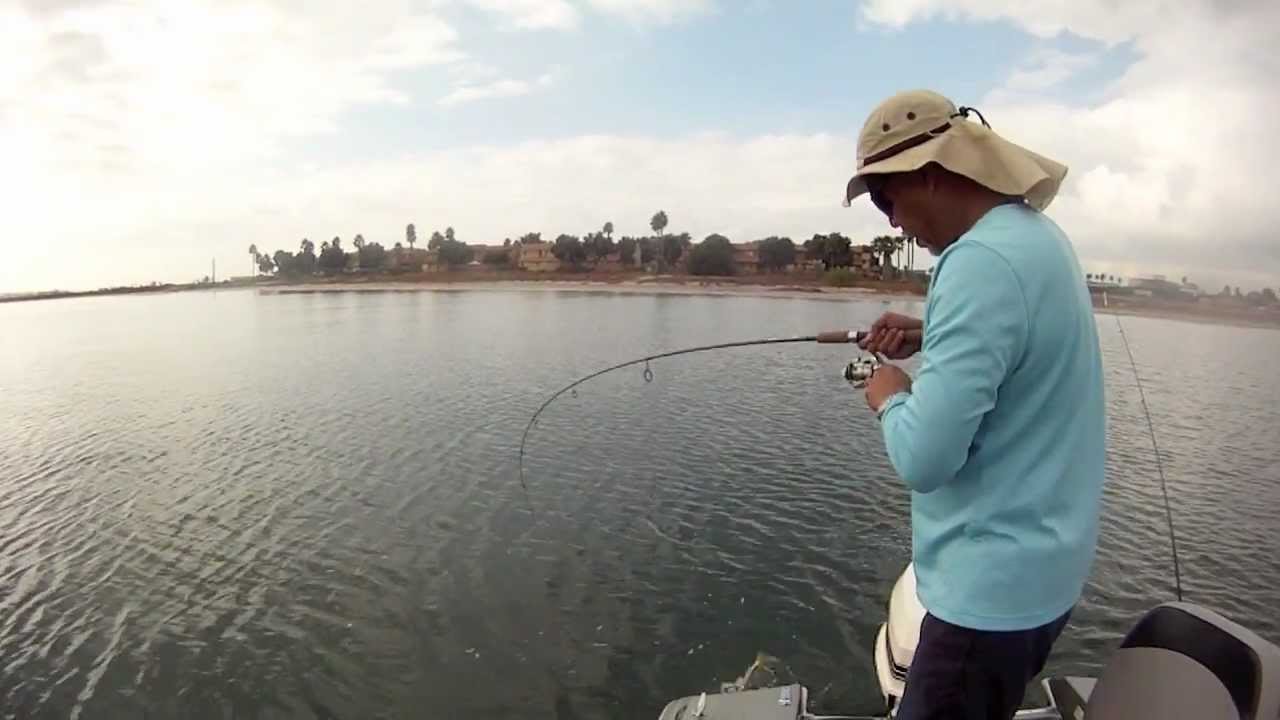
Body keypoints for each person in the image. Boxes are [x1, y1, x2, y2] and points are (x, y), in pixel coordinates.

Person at [844, 89, 1106, 719]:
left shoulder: (976, 262)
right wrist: (931, 330)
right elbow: (1020, 346)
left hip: (985, 599)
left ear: (931, 175)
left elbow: (923, 458)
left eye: (886, 197)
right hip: (1044, 578)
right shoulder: (1036, 239)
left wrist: (889, 394)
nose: (889, 221)